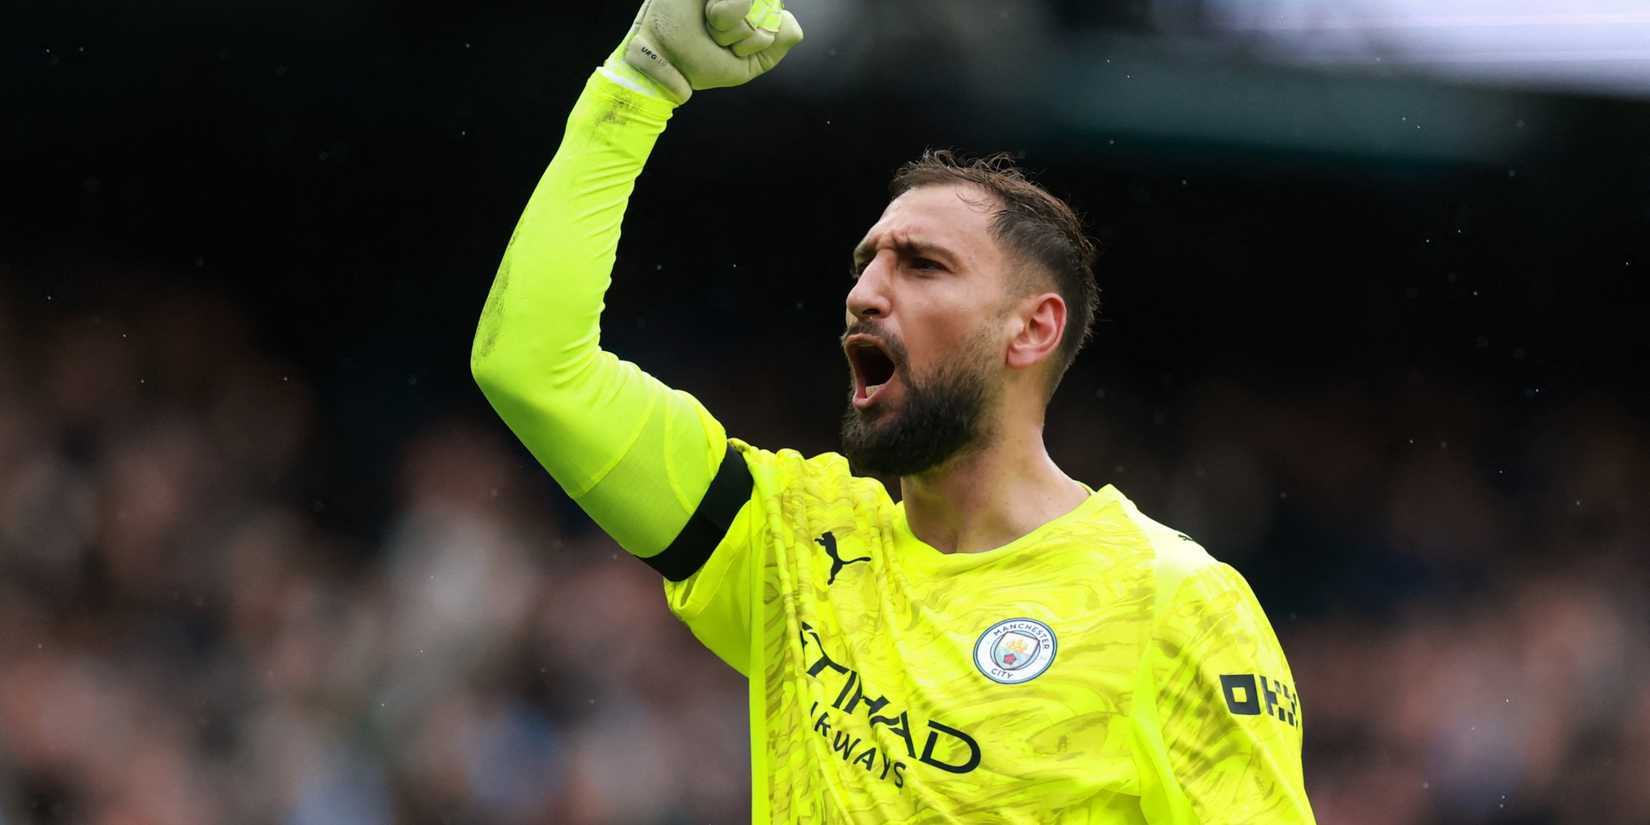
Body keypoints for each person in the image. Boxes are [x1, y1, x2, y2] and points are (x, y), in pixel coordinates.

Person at [471, 0, 1317, 821]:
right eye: (865, 263)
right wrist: (638, 82)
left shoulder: (1173, 602)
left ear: (1033, 328)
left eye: (921, 265)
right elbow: (532, 369)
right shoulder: (788, 546)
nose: (865, 293)